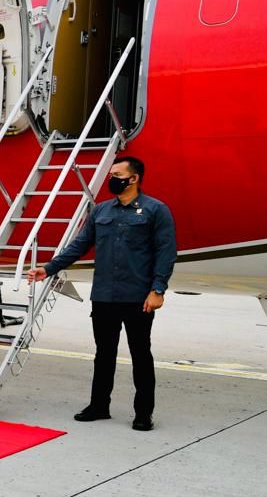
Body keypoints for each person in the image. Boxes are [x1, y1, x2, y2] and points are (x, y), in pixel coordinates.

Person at [28, 156, 176, 431]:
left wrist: (158, 289)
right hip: (105, 296)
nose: (112, 178)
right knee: (103, 354)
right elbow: (80, 245)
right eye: (111, 174)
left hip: (138, 297)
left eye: (117, 174)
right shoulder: (101, 212)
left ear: (133, 178)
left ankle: (143, 413)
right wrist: (49, 268)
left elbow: (165, 253)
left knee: (141, 354)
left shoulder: (156, 210)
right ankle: (99, 405)